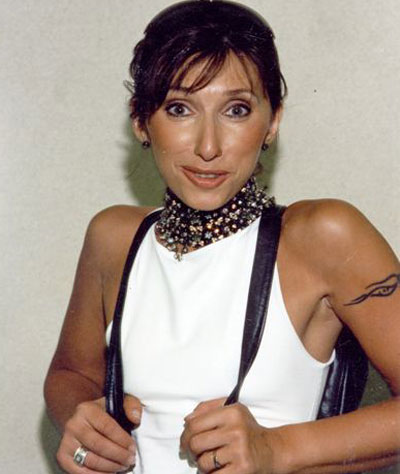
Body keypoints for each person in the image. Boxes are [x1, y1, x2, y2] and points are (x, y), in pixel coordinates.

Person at [44, 1, 400, 473]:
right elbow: (71, 373)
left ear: (272, 121)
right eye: (179, 109)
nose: (208, 146)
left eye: (236, 110)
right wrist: (82, 422)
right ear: (141, 120)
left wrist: (279, 450)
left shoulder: (323, 236)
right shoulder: (114, 238)